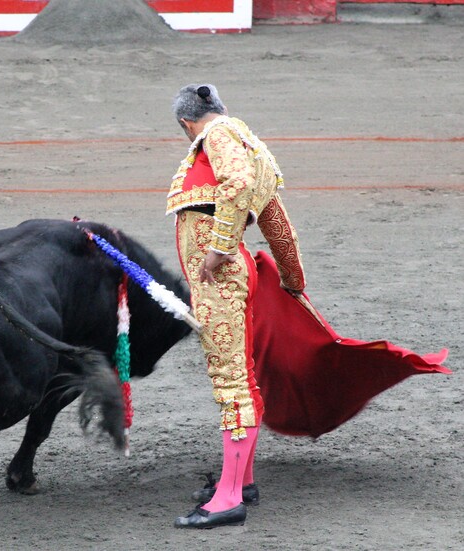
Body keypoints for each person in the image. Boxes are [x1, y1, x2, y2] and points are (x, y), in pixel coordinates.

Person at [167, 84, 307, 529]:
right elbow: (277, 224)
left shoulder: (217, 136)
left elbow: (238, 184)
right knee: (242, 377)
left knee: (231, 383)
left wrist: (220, 247)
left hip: (220, 278)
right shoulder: (251, 145)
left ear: (186, 123)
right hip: (232, 273)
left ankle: (228, 499)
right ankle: (241, 482)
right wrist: (293, 281)